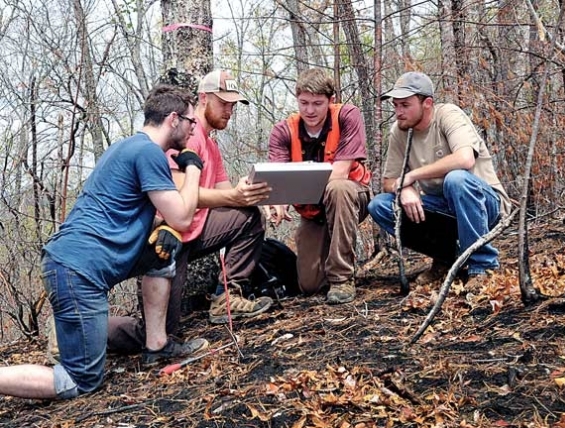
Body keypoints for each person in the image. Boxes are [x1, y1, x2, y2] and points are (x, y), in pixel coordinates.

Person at [0, 85, 208, 400]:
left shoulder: (127, 148)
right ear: (174, 119)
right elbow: (181, 217)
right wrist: (193, 169)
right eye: (191, 122)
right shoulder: (148, 152)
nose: (194, 130)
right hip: (76, 271)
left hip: (87, 262)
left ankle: (157, 346)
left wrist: (163, 226)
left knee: (162, 253)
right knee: (79, 381)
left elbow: (128, 214)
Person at [107, 70, 274, 355]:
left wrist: (256, 197)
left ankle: (227, 297)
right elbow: (179, 195)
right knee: (157, 334)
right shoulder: (186, 137)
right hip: (169, 237)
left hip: (197, 229)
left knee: (249, 218)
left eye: (234, 105)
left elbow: (225, 195)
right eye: (224, 103)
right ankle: (77, 328)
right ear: (204, 98)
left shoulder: (212, 144)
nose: (229, 111)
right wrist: (234, 196)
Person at [368, 71, 511, 290]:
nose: (398, 112)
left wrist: (412, 176)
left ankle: (482, 266)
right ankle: (446, 259)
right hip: (444, 209)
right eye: (395, 105)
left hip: (485, 205)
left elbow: (465, 159)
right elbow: (389, 181)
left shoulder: (448, 115)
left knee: (456, 180)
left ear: (427, 103)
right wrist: (405, 189)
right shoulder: (399, 131)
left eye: (405, 105)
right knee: (380, 205)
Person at [267, 67, 371, 304]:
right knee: (309, 284)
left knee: (338, 188)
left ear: (330, 101)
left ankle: (342, 278)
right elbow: (278, 177)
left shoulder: (347, 116)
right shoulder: (283, 131)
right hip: (313, 210)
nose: (310, 110)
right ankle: (324, 268)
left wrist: (294, 188)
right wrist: (279, 199)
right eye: (304, 103)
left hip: (352, 196)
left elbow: (341, 172)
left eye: (317, 103)